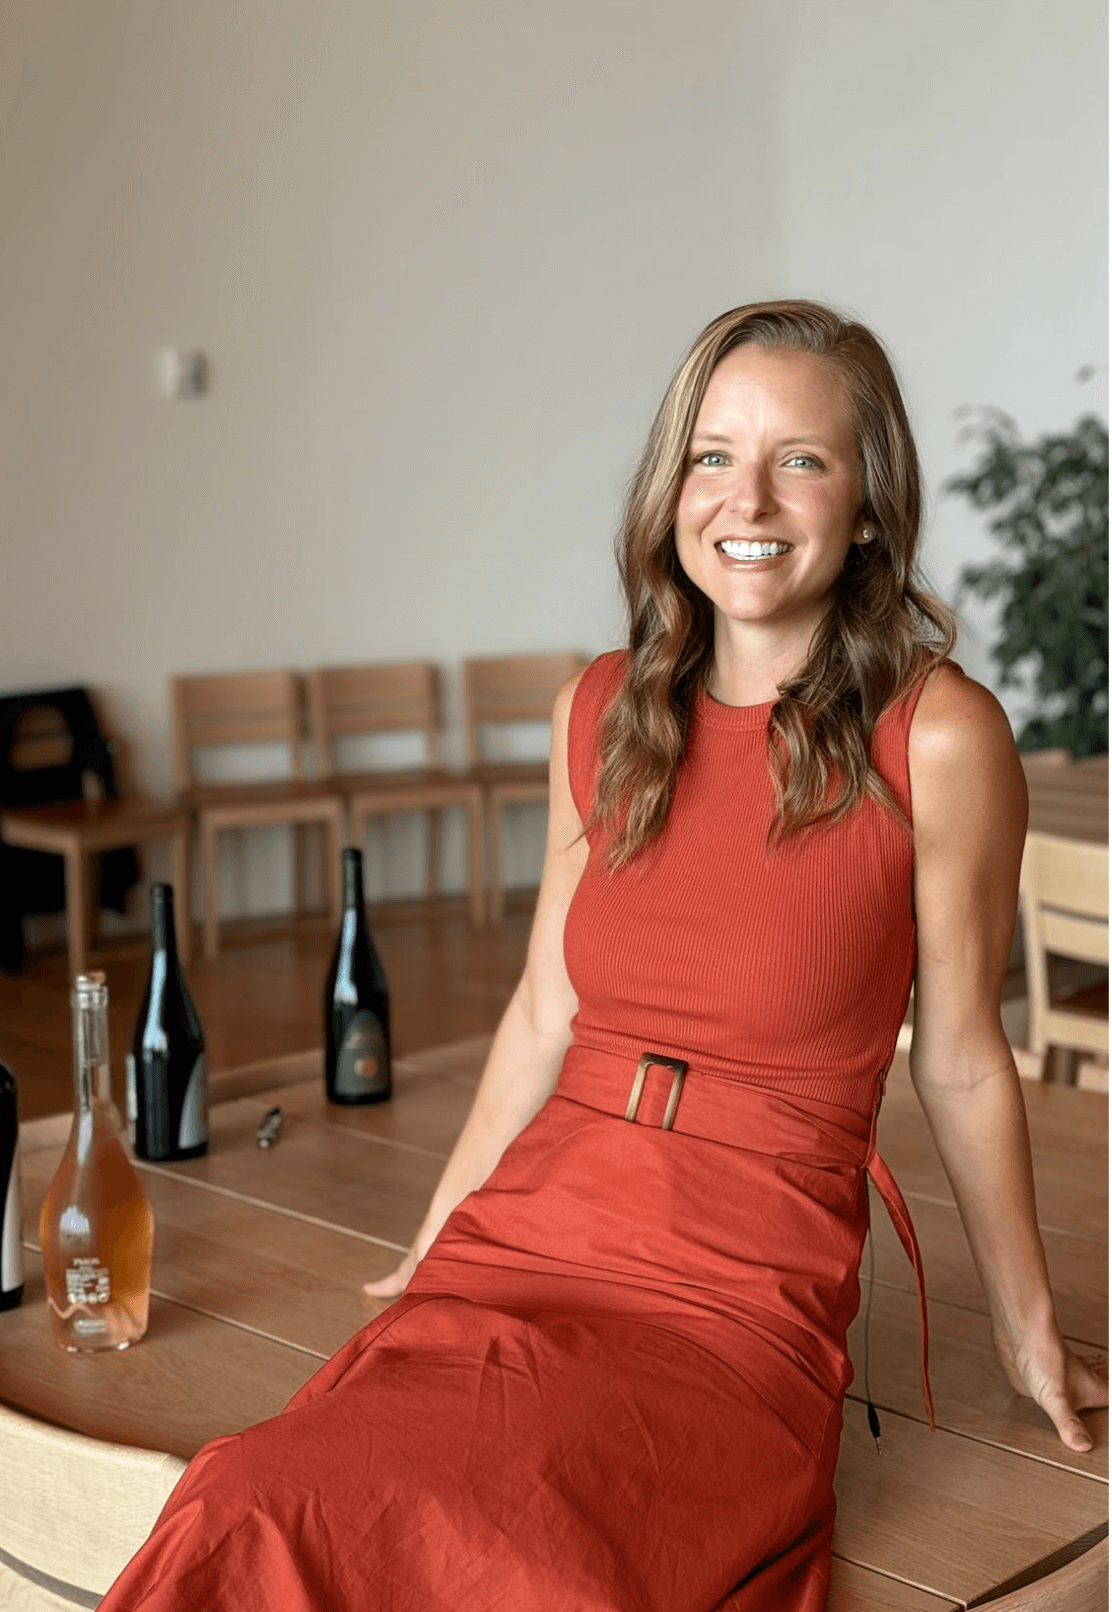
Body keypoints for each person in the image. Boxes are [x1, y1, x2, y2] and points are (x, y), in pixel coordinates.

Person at [101, 300, 1107, 1612]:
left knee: (532, 1562)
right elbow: (539, 1011)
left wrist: (1031, 1334)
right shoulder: (601, 708)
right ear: (670, 488)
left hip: (738, 1285)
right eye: (711, 455)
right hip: (532, 1236)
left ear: (867, 506)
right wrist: (432, 1245)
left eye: (802, 459)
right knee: (251, 1502)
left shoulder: (940, 735)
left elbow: (966, 1058)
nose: (748, 496)